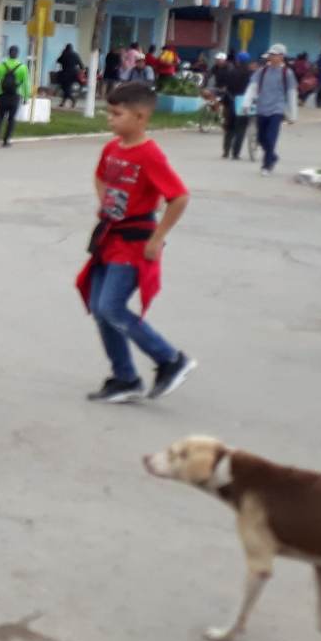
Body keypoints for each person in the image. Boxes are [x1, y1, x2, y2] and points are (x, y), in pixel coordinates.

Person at [79, 81, 194, 403]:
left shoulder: (150, 154)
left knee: (111, 306)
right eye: (109, 113)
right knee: (102, 311)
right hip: (110, 238)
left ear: (141, 117)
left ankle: (170, 359)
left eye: (117, 114)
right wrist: (106, 203)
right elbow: (100, 175)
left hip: (135, 241)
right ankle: (125, 377)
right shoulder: (113, 148)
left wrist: (158, 239)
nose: (110, 120)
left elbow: (179, 197)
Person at [244, 44, 299, 174]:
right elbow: (252, 88)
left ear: (282, 56)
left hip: (277, 109)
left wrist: (293, 115)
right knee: (261, 138)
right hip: (262, 108)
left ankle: (266, 165)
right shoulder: (262, 71)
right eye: (271, 54)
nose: (272, 57)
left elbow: (291, 94)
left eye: (275, 54)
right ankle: (273, 156)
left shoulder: (287, 73)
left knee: (271, 137)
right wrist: (246, 104)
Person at [213, 50, 254, 160]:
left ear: (237, 60)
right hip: (244, 103)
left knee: (229, 128)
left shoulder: (231, 72)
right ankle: (236, 153)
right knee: (240, 128)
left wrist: (225, 102)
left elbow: (226, 88)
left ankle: (226, 151)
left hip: (231, 101)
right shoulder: (251, 74)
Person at [0, 46, 29, 146]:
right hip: (15, 96)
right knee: (11, 119)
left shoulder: (0, 66)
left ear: (8, 53)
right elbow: (26, 84)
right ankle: (6, 140)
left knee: (0, 116)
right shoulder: (23, 67)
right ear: (17, 54)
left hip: (2, 95)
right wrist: (26, 97)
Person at [53, 43, 83, 109]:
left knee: (65, 88)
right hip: (74, 74)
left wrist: (62, 53)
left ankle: (72, 100)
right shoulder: (75, 55)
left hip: (65, 74)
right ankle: (63, 102)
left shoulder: (65, 54)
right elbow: (81, 65)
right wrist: (80, 71)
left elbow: (58, 60)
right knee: (67, 88)